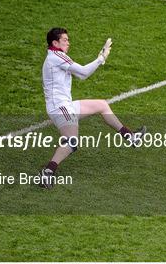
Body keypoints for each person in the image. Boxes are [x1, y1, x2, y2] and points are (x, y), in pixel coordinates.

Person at [39, 27, 145, 189]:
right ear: (55, 42)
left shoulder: (56, 56)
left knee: (102, 105)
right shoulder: (57, 57)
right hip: (60, 108)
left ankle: (130, 137)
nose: (69, 42)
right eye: (65, 40)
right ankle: (47, 172)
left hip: (65, 105)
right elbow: (83, 73)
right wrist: (101, 58)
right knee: (72, 142)